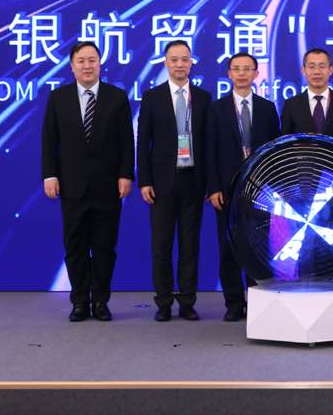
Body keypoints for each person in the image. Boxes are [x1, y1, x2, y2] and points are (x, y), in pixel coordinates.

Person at [41, 41, 134, 322]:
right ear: (72, 66)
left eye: (92, 60)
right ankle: (80, 301)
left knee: (105, 247)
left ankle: (101, 301)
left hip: (108, 186)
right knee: (75, 246)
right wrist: (49, 174)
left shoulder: (117, 97)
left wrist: (126, 174)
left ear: (100, 64)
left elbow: (126, 141)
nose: (87, 66)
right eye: (81, 61)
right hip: (72, 186)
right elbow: (49, 141)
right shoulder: (59, 98)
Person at [136, 40, 211, 322]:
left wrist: (210, 183)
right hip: (161, 184)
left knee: (190, 247)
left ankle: (188, 302)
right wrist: (144, 181)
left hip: (193, 181)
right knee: (162, 247)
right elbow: (143, 142)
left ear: (191, 62)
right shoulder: (152, 97)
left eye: (184, 59)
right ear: (166, 63)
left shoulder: (203, 98)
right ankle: (164, 302)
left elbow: (210, 143)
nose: (180, 64)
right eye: (174, 59)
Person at [205, 52, 280, 321]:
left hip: (260, 191)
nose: (241, 74)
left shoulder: (267, 108)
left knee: (257, 247)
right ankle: (233, 304)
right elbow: (209, 151)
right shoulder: (216, 109)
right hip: (225, 190)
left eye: (247, 69)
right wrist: (213, 187)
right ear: (229, 74)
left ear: (256, 74)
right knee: (228, 248)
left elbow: (275, 153)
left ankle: (258, 302)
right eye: (236, 69)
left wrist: (272, 190)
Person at [279, 47, 333, 145]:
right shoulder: (291, 105)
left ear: (331, 70)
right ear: (303, 70)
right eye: (311, 67)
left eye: (322, 66)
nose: (317, 72)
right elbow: (285, 144)